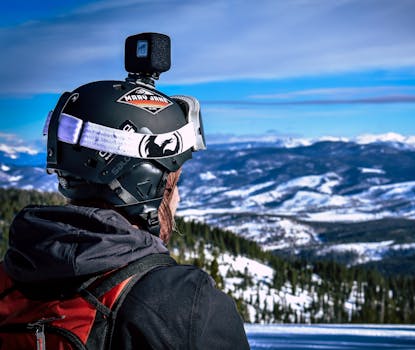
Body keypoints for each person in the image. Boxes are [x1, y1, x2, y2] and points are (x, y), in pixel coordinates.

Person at [0, 34, 250, 349]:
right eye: (174, 183)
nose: (177, 199)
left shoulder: (9, 281)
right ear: (146, 183)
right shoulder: (185, 307)